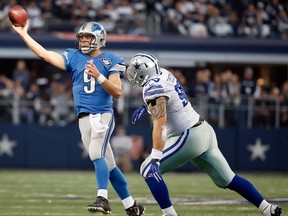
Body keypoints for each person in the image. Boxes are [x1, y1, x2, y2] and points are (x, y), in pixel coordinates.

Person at [11, 21, 144, 215]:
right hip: (83, 117)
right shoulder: (73, 57)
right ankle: (132, 207)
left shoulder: (111, 59)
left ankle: (102, 198)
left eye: (87, 37)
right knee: (110, 165)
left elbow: (117, 91)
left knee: (96, 154)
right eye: (81, 37)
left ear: (99, 39)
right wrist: (24, 34)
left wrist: (99, 76)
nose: (83, 41)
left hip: (102, 114)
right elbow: (44, 54)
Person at [126, 52, 282, 216]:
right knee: (228, 179)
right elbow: (169, 98)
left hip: (188, 135)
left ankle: (170, 215)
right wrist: (147, 107)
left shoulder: (153, 88)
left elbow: (160, 125)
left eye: (136, 72)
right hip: (204, 130)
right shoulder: (163, 73)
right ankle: (267, 208)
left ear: (146, 71)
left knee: (148, 169)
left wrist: (155, 157)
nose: (133, 76)